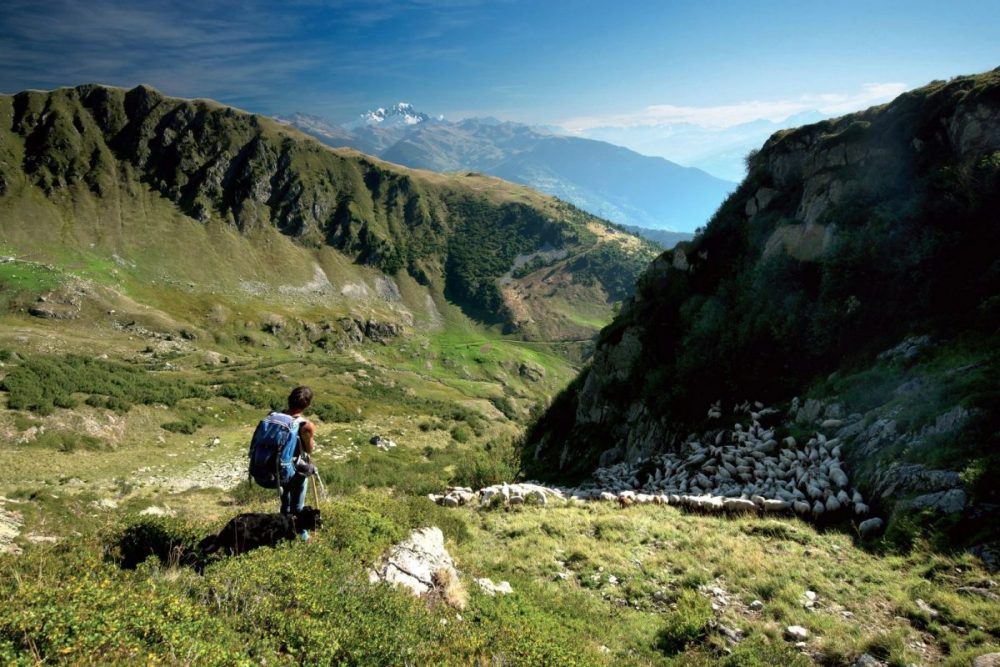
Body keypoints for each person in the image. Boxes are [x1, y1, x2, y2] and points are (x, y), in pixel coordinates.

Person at [281, 386, 317, 539]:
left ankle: (283, 532)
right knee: (298, 506)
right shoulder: (305, 425)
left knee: (285, 504)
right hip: (296, 469)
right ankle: (302, 536)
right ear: (307, 404)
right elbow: (309, 450)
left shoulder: (276, 417)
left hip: (277, 468)